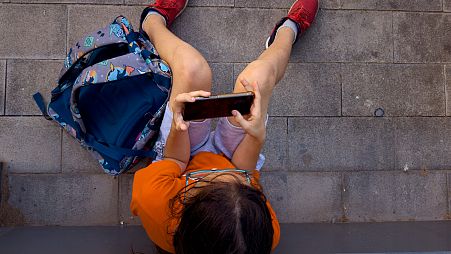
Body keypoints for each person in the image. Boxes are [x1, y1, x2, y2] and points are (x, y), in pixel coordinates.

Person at [130, 0, 319, 253]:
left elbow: (174, 159)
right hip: (233, 159)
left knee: (192, 69)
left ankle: (152, 22)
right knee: (257, 80)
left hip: (182, 161)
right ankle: (287, 32)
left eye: (209, 183)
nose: (229, 179)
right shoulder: (260, 231)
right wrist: (255, 138)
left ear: (184, 214)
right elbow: (245, 171)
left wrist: (178, 124)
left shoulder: (155, 201)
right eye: (240, 186)